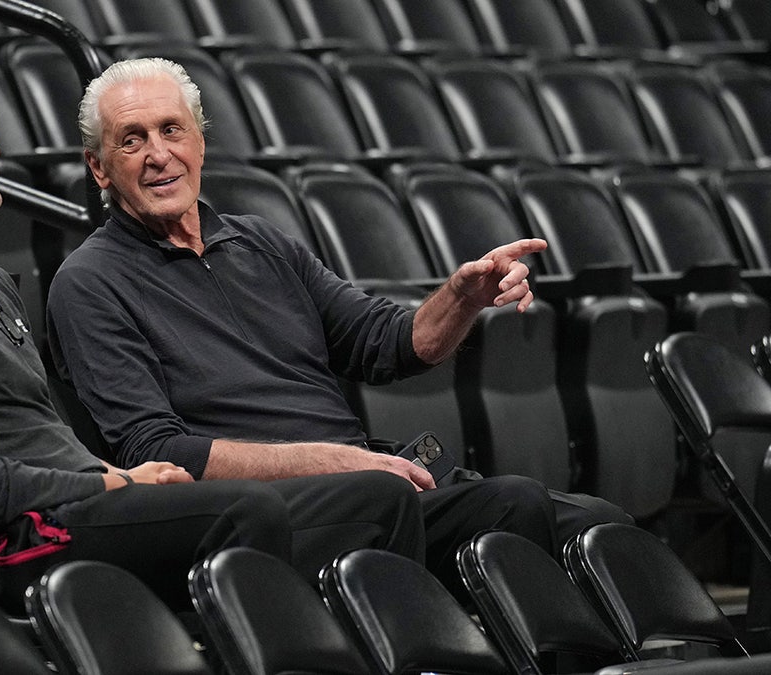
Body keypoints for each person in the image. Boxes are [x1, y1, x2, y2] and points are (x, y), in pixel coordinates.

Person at [0, 57, 427, 609]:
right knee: (244, 509)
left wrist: (109, 483)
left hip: (76, 502)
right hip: (16, 537)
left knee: (377, 499)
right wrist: (105, 481)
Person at [47, 57, 632, 591]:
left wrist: (462, 296)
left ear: (200, 142)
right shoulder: (89, 282)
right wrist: (339, 461)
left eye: (171, 130)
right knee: (433, 499)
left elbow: (389, 343)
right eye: (132, 140)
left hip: (365, 486)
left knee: (587, 521)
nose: (157, 154)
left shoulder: (263, 243)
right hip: (261, 513)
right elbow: (157, 449)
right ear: (99, 169)